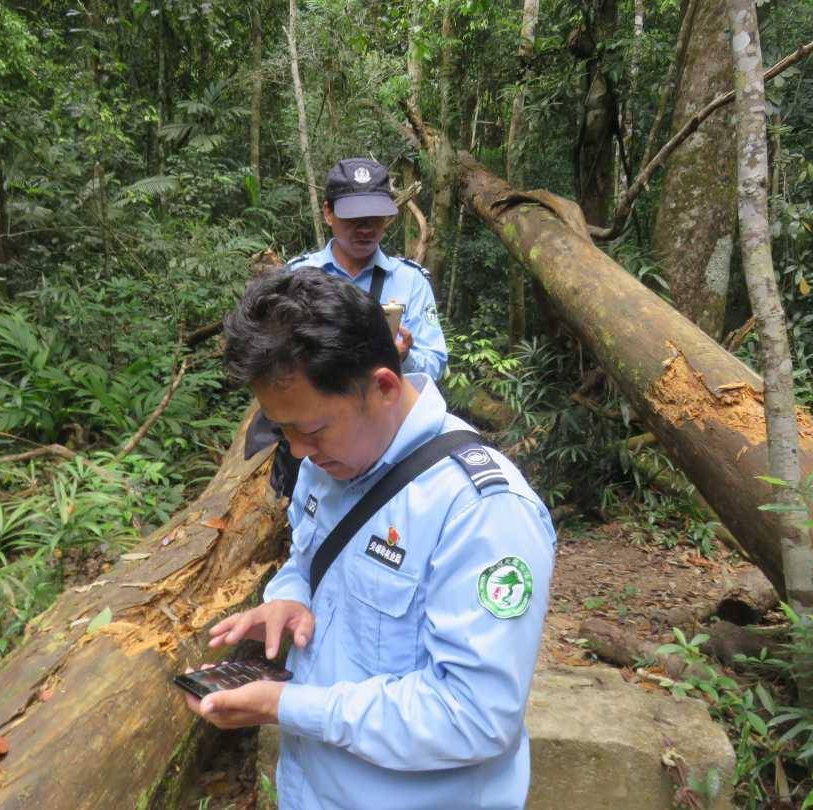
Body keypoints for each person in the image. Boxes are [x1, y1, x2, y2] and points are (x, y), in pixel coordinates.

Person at [183, 268, 555, 810]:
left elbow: (474, 715)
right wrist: (290, 595)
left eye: (310, 431)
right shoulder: (328, 458)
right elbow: (309, 556)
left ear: (382, 386)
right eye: (282, 430)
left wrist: (286, 706)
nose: (298, 450)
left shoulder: (481, 511)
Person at [286, 156, 447, 381]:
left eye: (374, 218)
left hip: (383, 412)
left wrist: (403, 358)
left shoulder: (410, 281)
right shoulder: (298, 276)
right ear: (328, 213)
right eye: (354, 217)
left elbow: (435, 364)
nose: (365, 229)